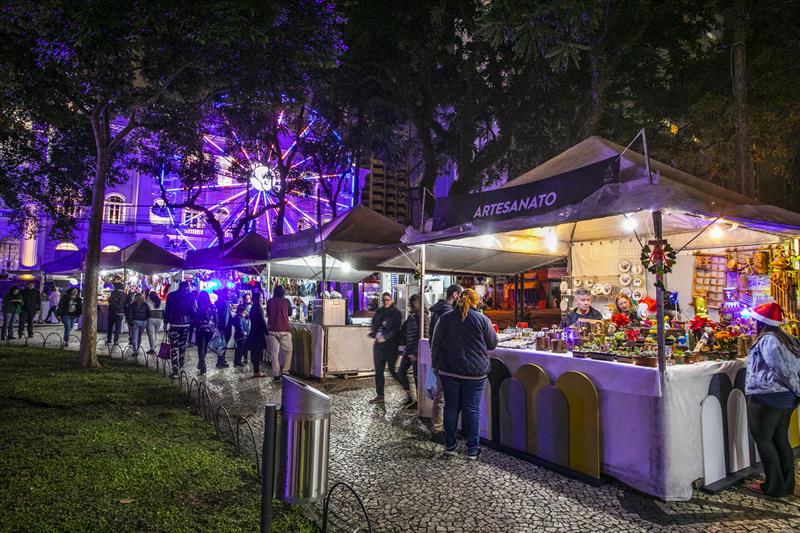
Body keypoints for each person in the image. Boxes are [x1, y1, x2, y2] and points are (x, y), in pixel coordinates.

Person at [431, 288, 498, 460]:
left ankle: (450, 446)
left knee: (451, 407)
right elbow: (492, 344)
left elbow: (436, 344)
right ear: (476, 302)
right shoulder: (483, 319)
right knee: (472, 410)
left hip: (449, 370)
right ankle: (472, 450)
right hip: (475, 374)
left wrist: (435, 365)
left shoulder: (445, 319)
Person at [744, 302, 800, 497]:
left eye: (754, 321)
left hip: (768, 395)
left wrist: (796, 388)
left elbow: (780, 369)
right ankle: (786, 484)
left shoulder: (768, 340)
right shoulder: (787, 339)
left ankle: (774, 486)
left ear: (762, 322)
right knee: (780, 439)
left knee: (764, 439)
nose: (752, 324)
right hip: (786, 397)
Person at [428, 284, 463, 433]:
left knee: (441, 395)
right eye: (461, 296)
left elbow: (433, 337)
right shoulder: (448, 313)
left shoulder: (438, 310)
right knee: (442, 396)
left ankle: (440, 427)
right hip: (446, 360)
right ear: (455, 295)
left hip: (440, 358)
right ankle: (439, 429)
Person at [368, 292, 403, 404]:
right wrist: (376, 331)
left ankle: (407, 389)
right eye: (384, 300)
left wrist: (385, 336)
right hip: (379, 345)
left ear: (392, 299)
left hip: (391, 345)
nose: (385, 302)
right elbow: (374, 324)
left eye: (387, 300)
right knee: (378, 371)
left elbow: (395, 329)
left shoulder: (396, 312)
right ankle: (380, 395)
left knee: (392, 371)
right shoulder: (380, 311)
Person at [397, 293, 429, 409]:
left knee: (417, 377)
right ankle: (410, 396)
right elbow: (404, 331)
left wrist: (416, 353)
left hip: (417, 353)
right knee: (400, 372)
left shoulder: (423, 318)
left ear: (417, 305)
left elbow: (424, 336)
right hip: (409, 351)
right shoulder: (411, 317)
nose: (409, 307)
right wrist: (402, 345)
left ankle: (420, 401)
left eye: (411, 304)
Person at [163, 281, 195, 378]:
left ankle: (175, 370)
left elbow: (167, 310)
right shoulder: (190, 296)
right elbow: (193, 310)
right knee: (182, 346)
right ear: (187, 287)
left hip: (174, 324)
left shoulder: (171, 295)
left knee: (174, 347)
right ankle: (181, 367)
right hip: (185, 324)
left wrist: (165, 322)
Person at [266, 284, 293, 383]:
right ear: (283, 293)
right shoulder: (286, 301)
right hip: (284, 330)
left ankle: (276, 374)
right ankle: (285, 372)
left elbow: (268, 313)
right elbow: (290, 313)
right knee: (288, 352)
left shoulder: (269, 301)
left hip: (272, 329)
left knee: (274, 354)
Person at [247, 292, 268, 378]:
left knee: (255, 351)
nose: (262, 298)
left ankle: (256, 370)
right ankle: (257, 371)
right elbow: (262, 320)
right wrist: (266, 330)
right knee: (257, 352)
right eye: (261, 297)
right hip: (258, 332)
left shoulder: (253, 307)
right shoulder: (258, 308)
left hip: (254, 331)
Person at [215, 289, 232, 366]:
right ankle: (220, 361)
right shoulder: (225, 304)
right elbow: (226, 316)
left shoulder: (218, 302)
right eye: (228, 294)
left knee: (221, 344)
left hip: (220, 325)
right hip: (225, 327)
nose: (229, 295)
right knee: (223, 344)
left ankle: (221, 360)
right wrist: (224, 328)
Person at [145, 290, 164, 355]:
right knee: (156, 333)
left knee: (151, 334)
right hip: (159, 318)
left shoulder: (148, 302)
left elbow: (146, 311)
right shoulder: (161, 302)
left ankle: (152, 348)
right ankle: (154, 345)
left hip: (151, 318)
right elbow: (163, 310)